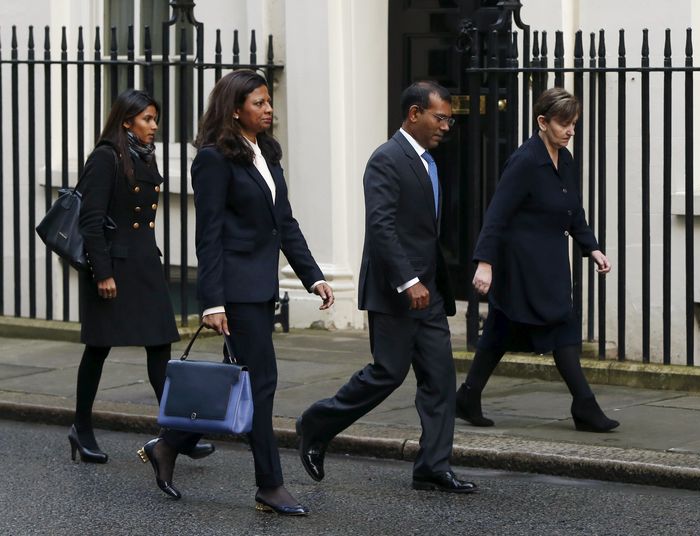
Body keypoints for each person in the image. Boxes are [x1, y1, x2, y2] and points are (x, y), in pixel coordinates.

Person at [136, 70, 334, 516]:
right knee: (261, 385)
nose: (269, 110)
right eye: (260, 103)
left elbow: (284, 222)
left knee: (240, 385)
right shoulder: (213, 159)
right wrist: (212, 301)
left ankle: (169, 445)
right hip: (236, 291)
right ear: (234, 109)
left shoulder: (266, 152)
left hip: (260, 286)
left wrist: (313, 276)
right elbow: (208, 235)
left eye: (268, 102)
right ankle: (270, 486)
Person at [297, 81, 477, 494]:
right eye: (440, 117)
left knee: (440, 379)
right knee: (387, 373)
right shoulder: (386, 160)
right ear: (414, 114)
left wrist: (427, 282)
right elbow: (381, 227)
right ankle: (316, 423)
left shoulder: (430, 163)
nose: (446, 126)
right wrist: (408, 280)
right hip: (397, 292)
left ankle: (433, 465)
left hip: (429, 293)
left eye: (449, 118)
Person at [457, 87, 619, 433]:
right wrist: (484, 262)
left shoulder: (566, 160)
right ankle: (585, 406)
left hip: (551, 261)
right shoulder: (525, 161)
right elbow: (497, 213)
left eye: (573, 124)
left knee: (502, 330)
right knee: (559, 326)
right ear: (542, 122)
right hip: (522, 263)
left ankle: (468, 395)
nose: (570, 130)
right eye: (563, 124)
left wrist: (592, 247)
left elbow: (573, 211)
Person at [70, 89, 214, 464]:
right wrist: (102, 272)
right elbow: (90, 220)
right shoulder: (104, 157)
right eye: (148, 119)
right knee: (98, 348)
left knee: (160, 345)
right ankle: (81, 429)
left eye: (155, 119)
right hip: (112, 268)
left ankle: (176, 433)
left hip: (144, 265)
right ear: (126, 121)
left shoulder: (144, 156)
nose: (154, 127)